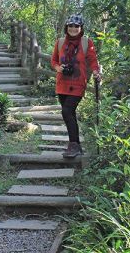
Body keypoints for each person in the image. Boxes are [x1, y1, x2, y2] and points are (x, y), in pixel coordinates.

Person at [51, 14, 101, 158]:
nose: (73, 28)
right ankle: (75, 145)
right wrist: (58, 68)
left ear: (81, 28)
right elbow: (53, 60)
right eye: (71, 26)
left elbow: (92, 60)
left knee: (67, 111)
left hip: (78, 83)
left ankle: (73, 145)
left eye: (76, 26)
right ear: (67, 27)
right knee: (69, 114)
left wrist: (96, 71)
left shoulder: (87, 42)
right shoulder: (60, 42)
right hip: (62, 83)